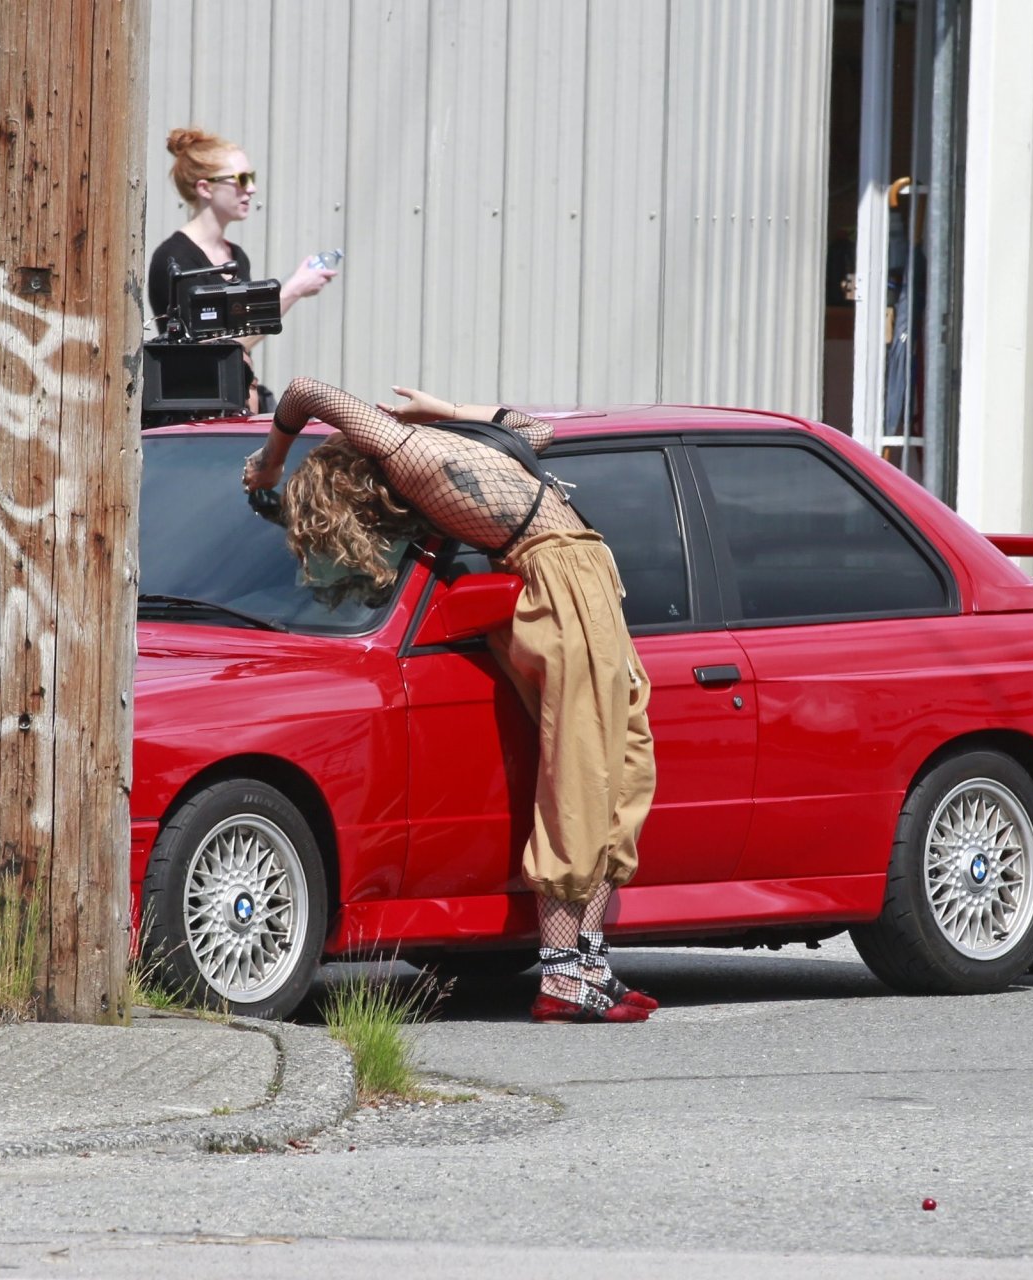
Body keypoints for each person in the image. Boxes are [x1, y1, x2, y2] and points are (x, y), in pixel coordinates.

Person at [242, 377, 660, 1024]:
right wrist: (275, 458)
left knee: (625, 770)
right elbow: (303, 390)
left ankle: (591, 961)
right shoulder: (414, 457)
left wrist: (446, 409)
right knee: (582, 775)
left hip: (589, 587)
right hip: (562, 585)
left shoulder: (445, 445)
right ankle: (561, 974)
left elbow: (539, 432)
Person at [149, 127, 337, 411]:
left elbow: (240, 338)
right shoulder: (175, 259)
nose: (251, 189)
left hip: (235, 403)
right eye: (241, 179)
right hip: (192, 414)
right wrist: (293, 290)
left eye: (252, 178)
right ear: (205, 188)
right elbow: (212, 350)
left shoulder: (236, 257)